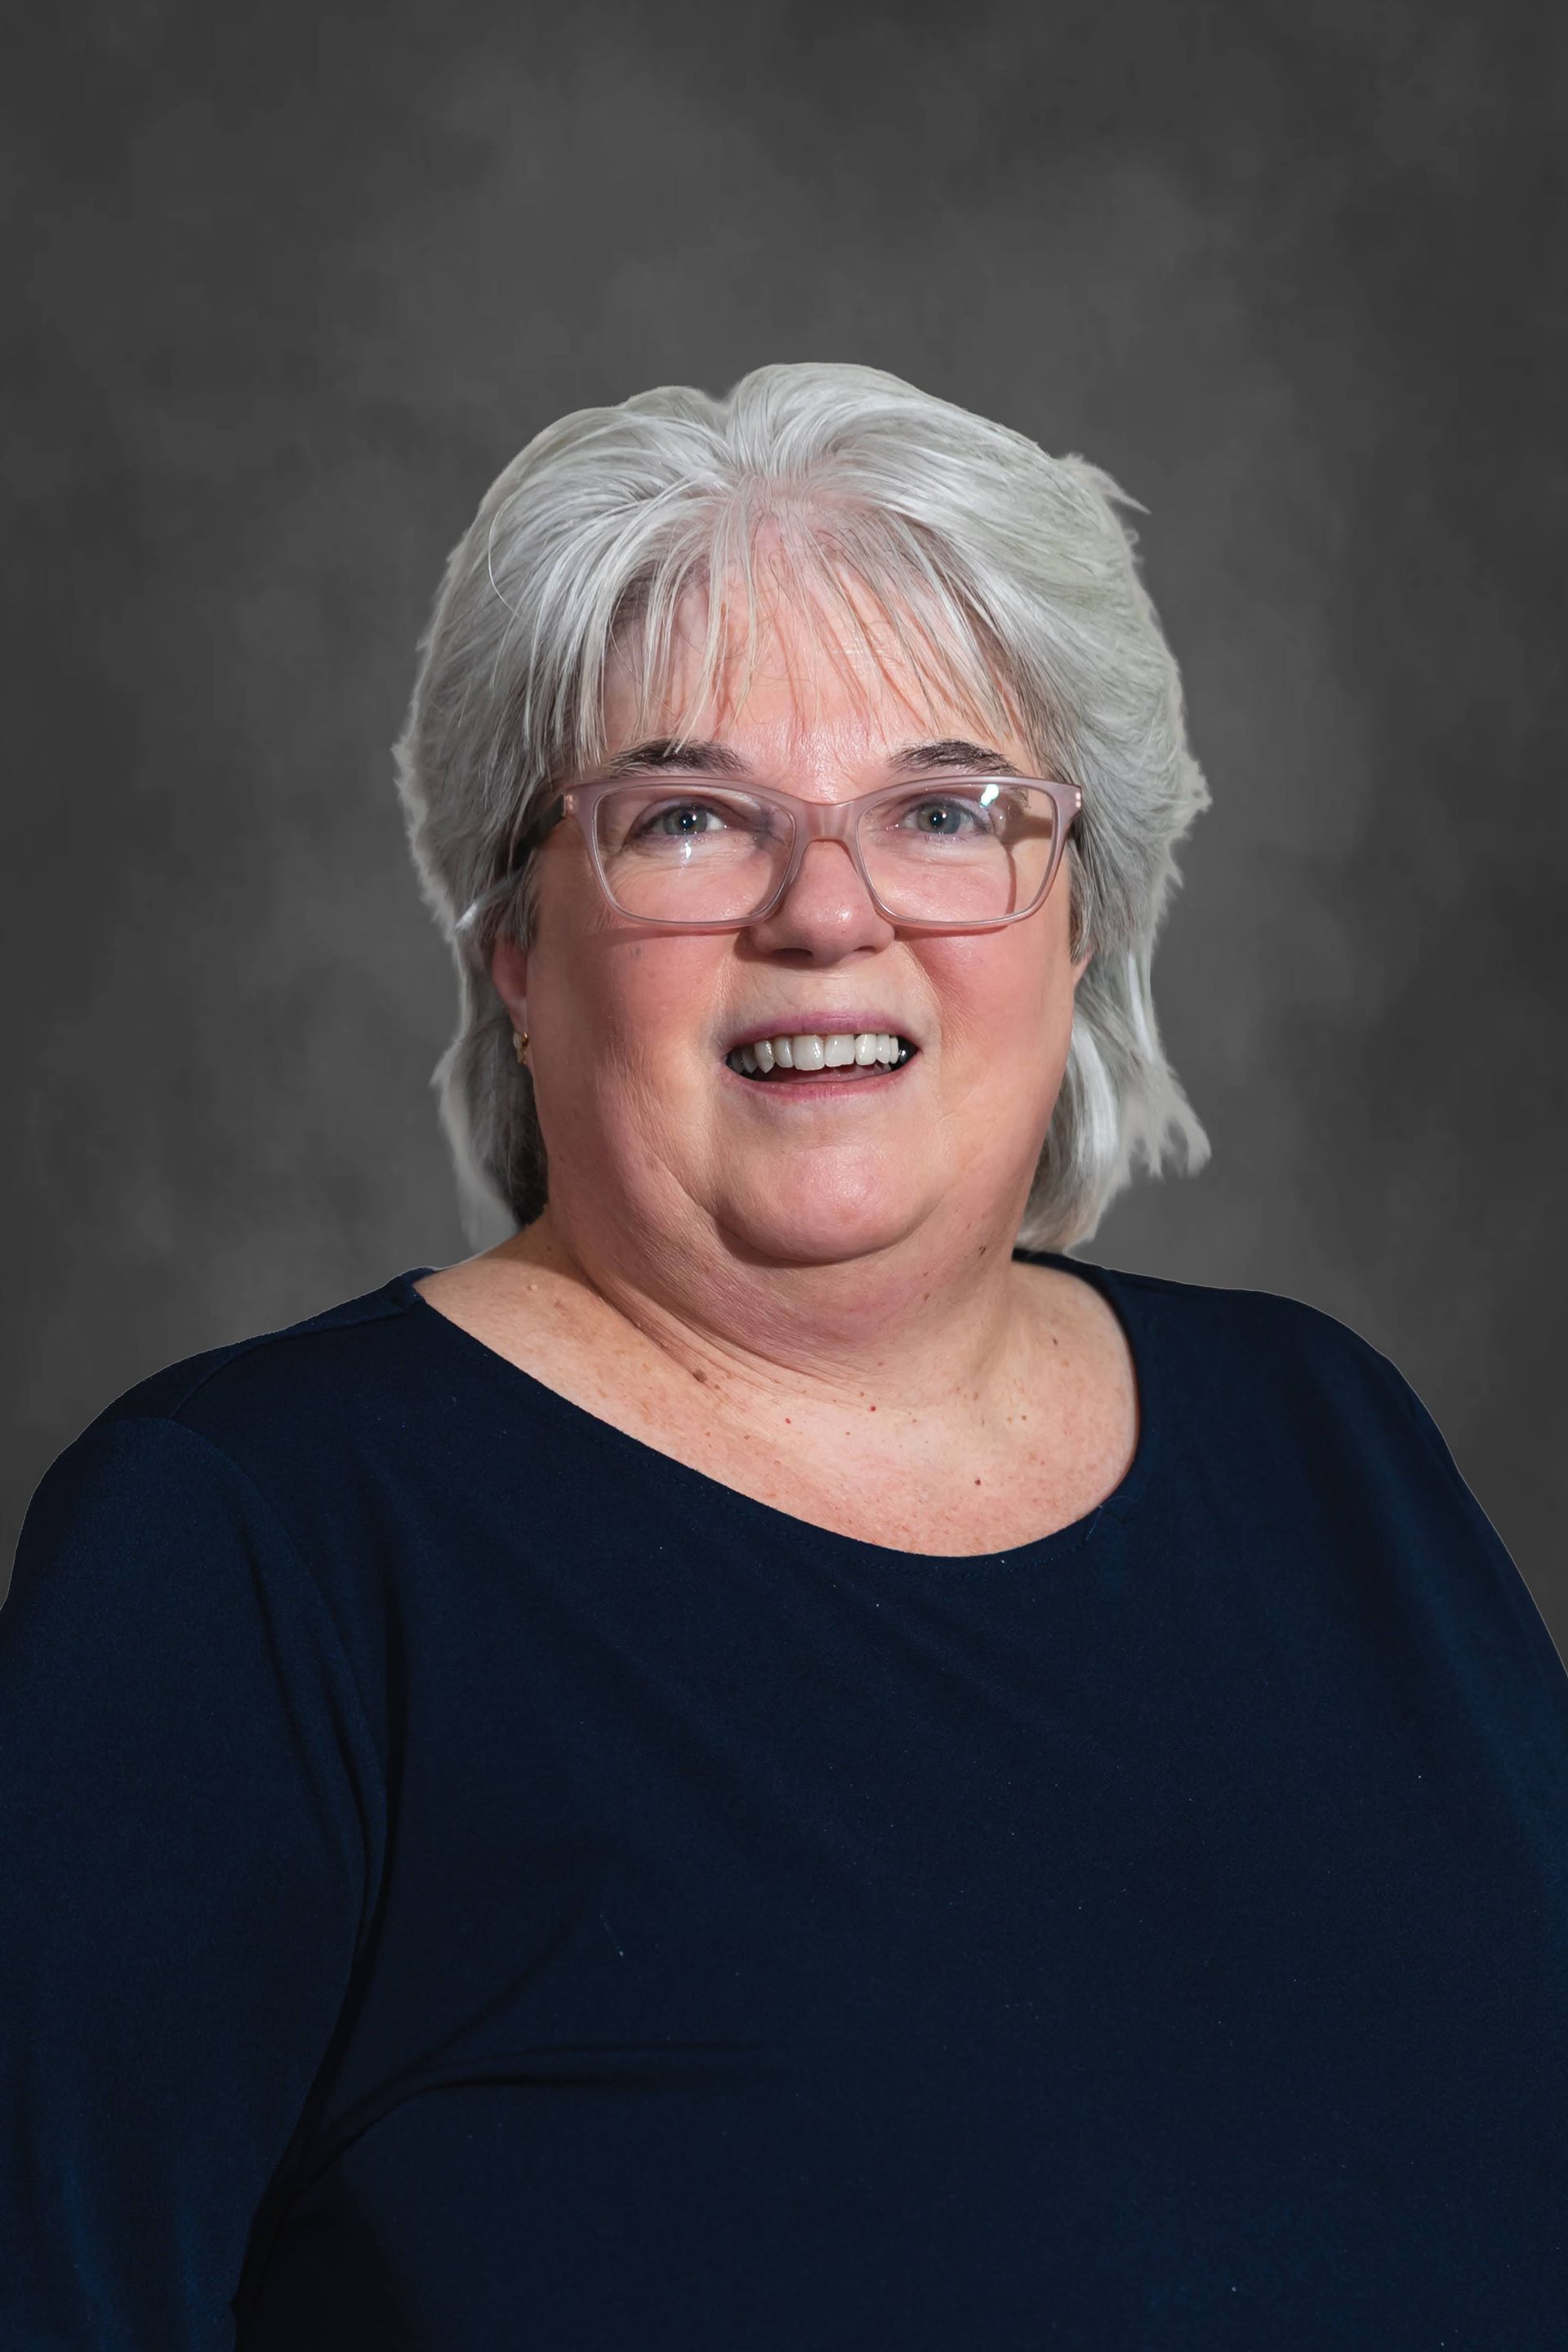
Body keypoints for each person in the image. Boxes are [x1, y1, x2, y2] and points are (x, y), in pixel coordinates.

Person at [2, 363, 1564, 2351]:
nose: (827, 911)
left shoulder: (1327, 1445)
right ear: (514, 935)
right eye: (686, 819)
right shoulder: (252, 1560)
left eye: (943, 810)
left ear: (1080, 912)